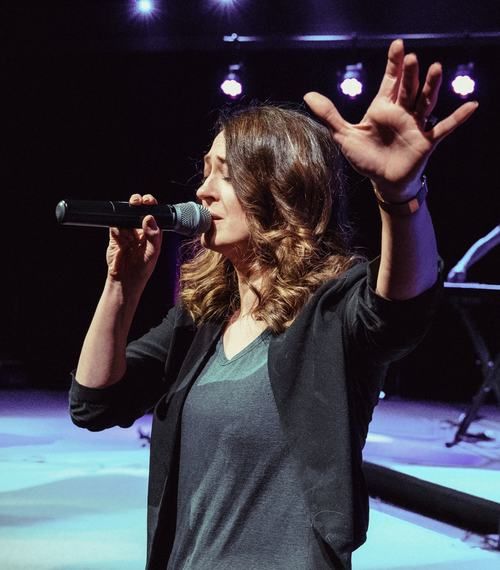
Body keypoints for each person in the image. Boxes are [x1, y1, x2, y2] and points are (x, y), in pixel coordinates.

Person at [69, 40, 478, 569]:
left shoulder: (331, 312)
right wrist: (121, 287)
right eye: (205, 171)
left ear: (279, 187)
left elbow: (401, 310)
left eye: (224, 173)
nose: (203, 190)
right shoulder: (200, 321)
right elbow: (94, 403)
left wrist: (399, 198)